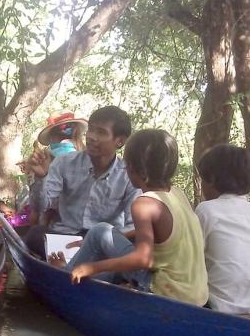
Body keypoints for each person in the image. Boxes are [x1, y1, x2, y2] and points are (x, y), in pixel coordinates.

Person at [51, 129, 208, 306]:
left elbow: (143, 259)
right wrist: (115, 240)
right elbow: (162, 234)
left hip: (163, 291)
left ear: (133, 168)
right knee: (106, 241)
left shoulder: (144, 203)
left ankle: (65, 275)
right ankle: (74, 272)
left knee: (99, 231)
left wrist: (91, 267)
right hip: (197, 295)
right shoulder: (177, 194)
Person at [25, 105, 141, 259]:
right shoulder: (63, 163)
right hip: (66, 237)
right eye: (91, 130)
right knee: (34, 235)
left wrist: (96, 241)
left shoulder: (128, 174)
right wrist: (40, 178)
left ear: (119, 141)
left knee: (137, 241)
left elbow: (133, 224)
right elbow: (40, 207)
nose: (91, 136)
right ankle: (85, 263)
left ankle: (73, 262)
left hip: (102, 243)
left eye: (101, 132)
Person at [195, 144, 250, 314]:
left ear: (211, 179)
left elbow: (192, 257)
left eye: (202, 179)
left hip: (217, 307)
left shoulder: (207, 210)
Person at [17, 111, 87, 227]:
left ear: (52, 137)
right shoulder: (87, 158)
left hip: (54, 224)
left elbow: (38, 208)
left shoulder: (47, 158)